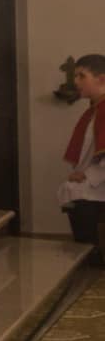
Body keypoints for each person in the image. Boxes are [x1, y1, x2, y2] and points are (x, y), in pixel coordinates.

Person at [59, 53, 105, 266]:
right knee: (72, 189)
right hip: (96, 181)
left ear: (101, 79)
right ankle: (87, 255)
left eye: (81, 76)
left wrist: (87, 175)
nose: (76, 81)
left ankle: (90, 259)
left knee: (77, 193)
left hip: (100, 181)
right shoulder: (94, 111)